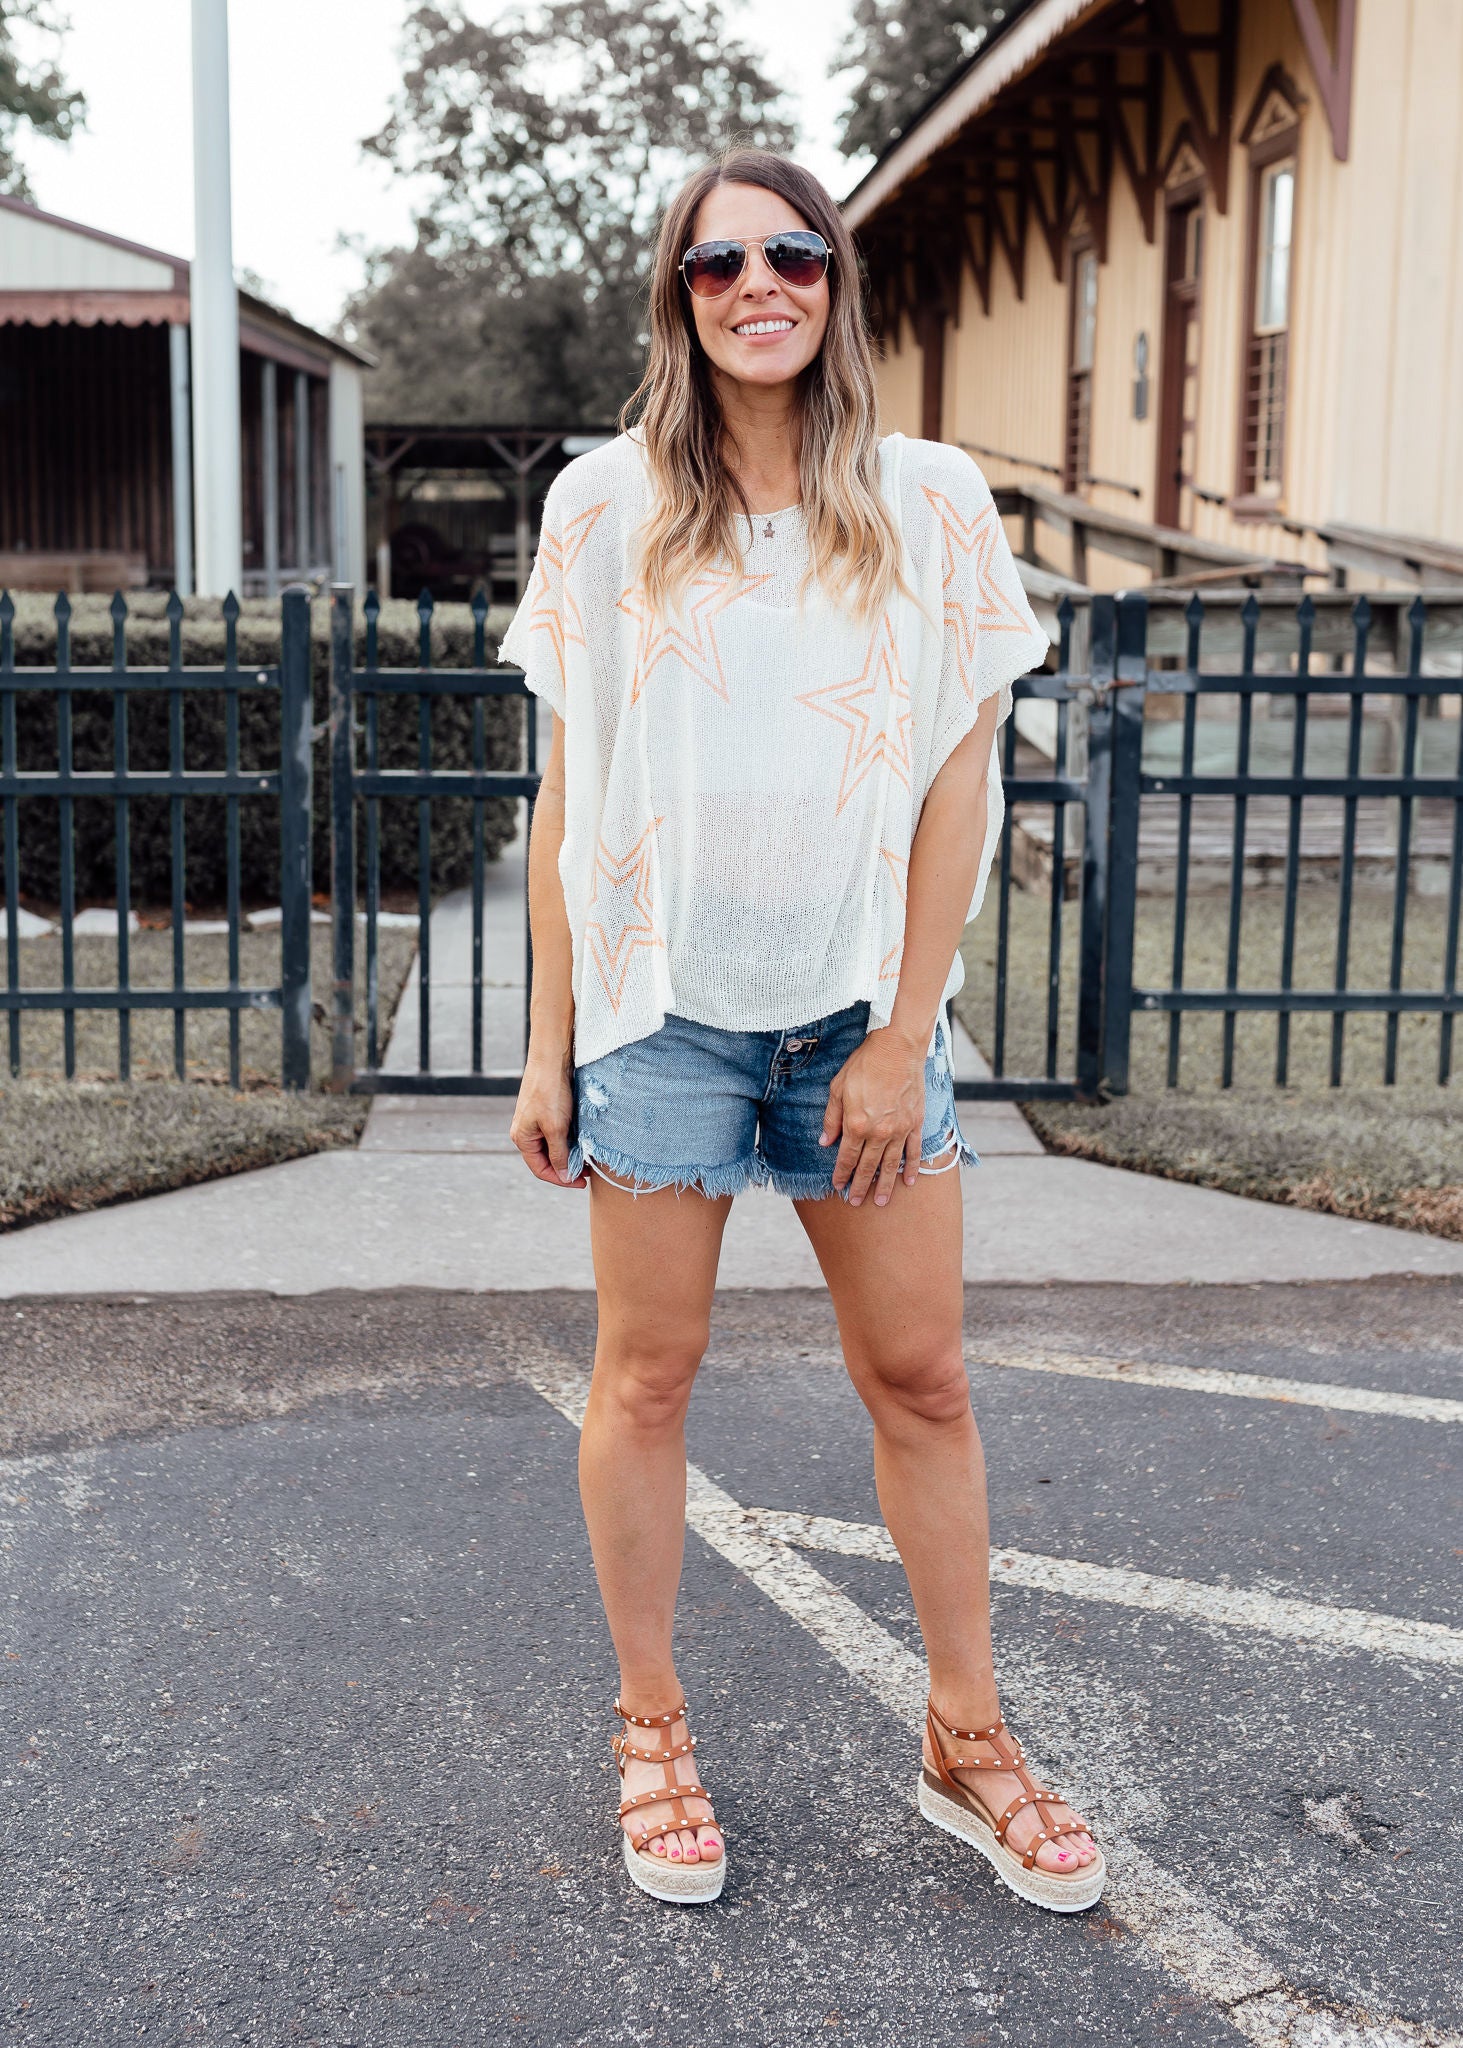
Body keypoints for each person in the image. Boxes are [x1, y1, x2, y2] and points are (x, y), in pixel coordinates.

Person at [502, 148, 1104, 1914]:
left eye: (793, 253)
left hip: (858, 1019)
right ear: (677, 299)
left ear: (835, 280)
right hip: (659, 1019)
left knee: (922, 1378)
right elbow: (572, 790)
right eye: (717, 265)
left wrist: (905, 1033)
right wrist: (549, 1044)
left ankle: (966, 1739)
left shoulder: (930, 500)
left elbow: (961, 780)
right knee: (646, 1376)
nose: (758, 285)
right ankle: (651, 1727)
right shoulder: (603, 505)